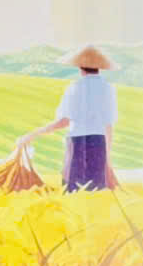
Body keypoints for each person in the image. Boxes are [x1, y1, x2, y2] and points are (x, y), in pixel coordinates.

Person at [17, 45, 118, 192]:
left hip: (77, 141)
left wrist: (32, 135)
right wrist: (107, 157)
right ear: (99, 67)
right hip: (99, 142)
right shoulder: (108, 88)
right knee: (96, 190)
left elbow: (63, 121)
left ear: (80, 67)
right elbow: (108, 124)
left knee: (72, 187)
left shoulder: (75, 87)